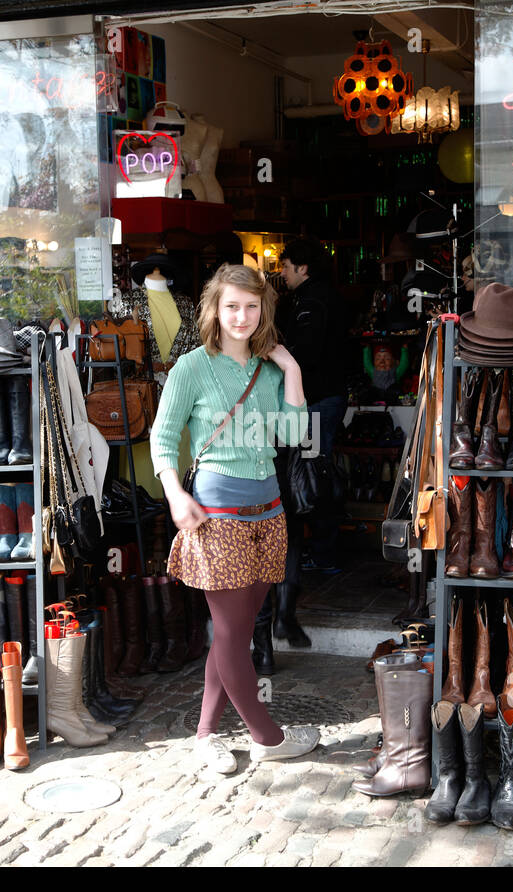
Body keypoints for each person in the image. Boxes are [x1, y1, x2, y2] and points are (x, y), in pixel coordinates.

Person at [149, 263, 321, 775]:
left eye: (251, 306)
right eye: (231, 306)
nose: (242, 316)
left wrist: (291, 370)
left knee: (236, 632)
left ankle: (205, 736)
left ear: (263, 309)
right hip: (216, 512)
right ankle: (267, 736)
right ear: (214, 311)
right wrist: (175, 493)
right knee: (229, 633)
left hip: (268, 511)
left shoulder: (269, 372)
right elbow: (162, 437)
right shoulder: (192, 368)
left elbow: (291, 436)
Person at [251, 238, 348, 672]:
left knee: (276, 527)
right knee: (289, 518)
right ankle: (280, 623)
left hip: (270, 444)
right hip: (279, 439)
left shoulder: (273, 342)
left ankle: (274, 631)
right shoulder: (279, 348)